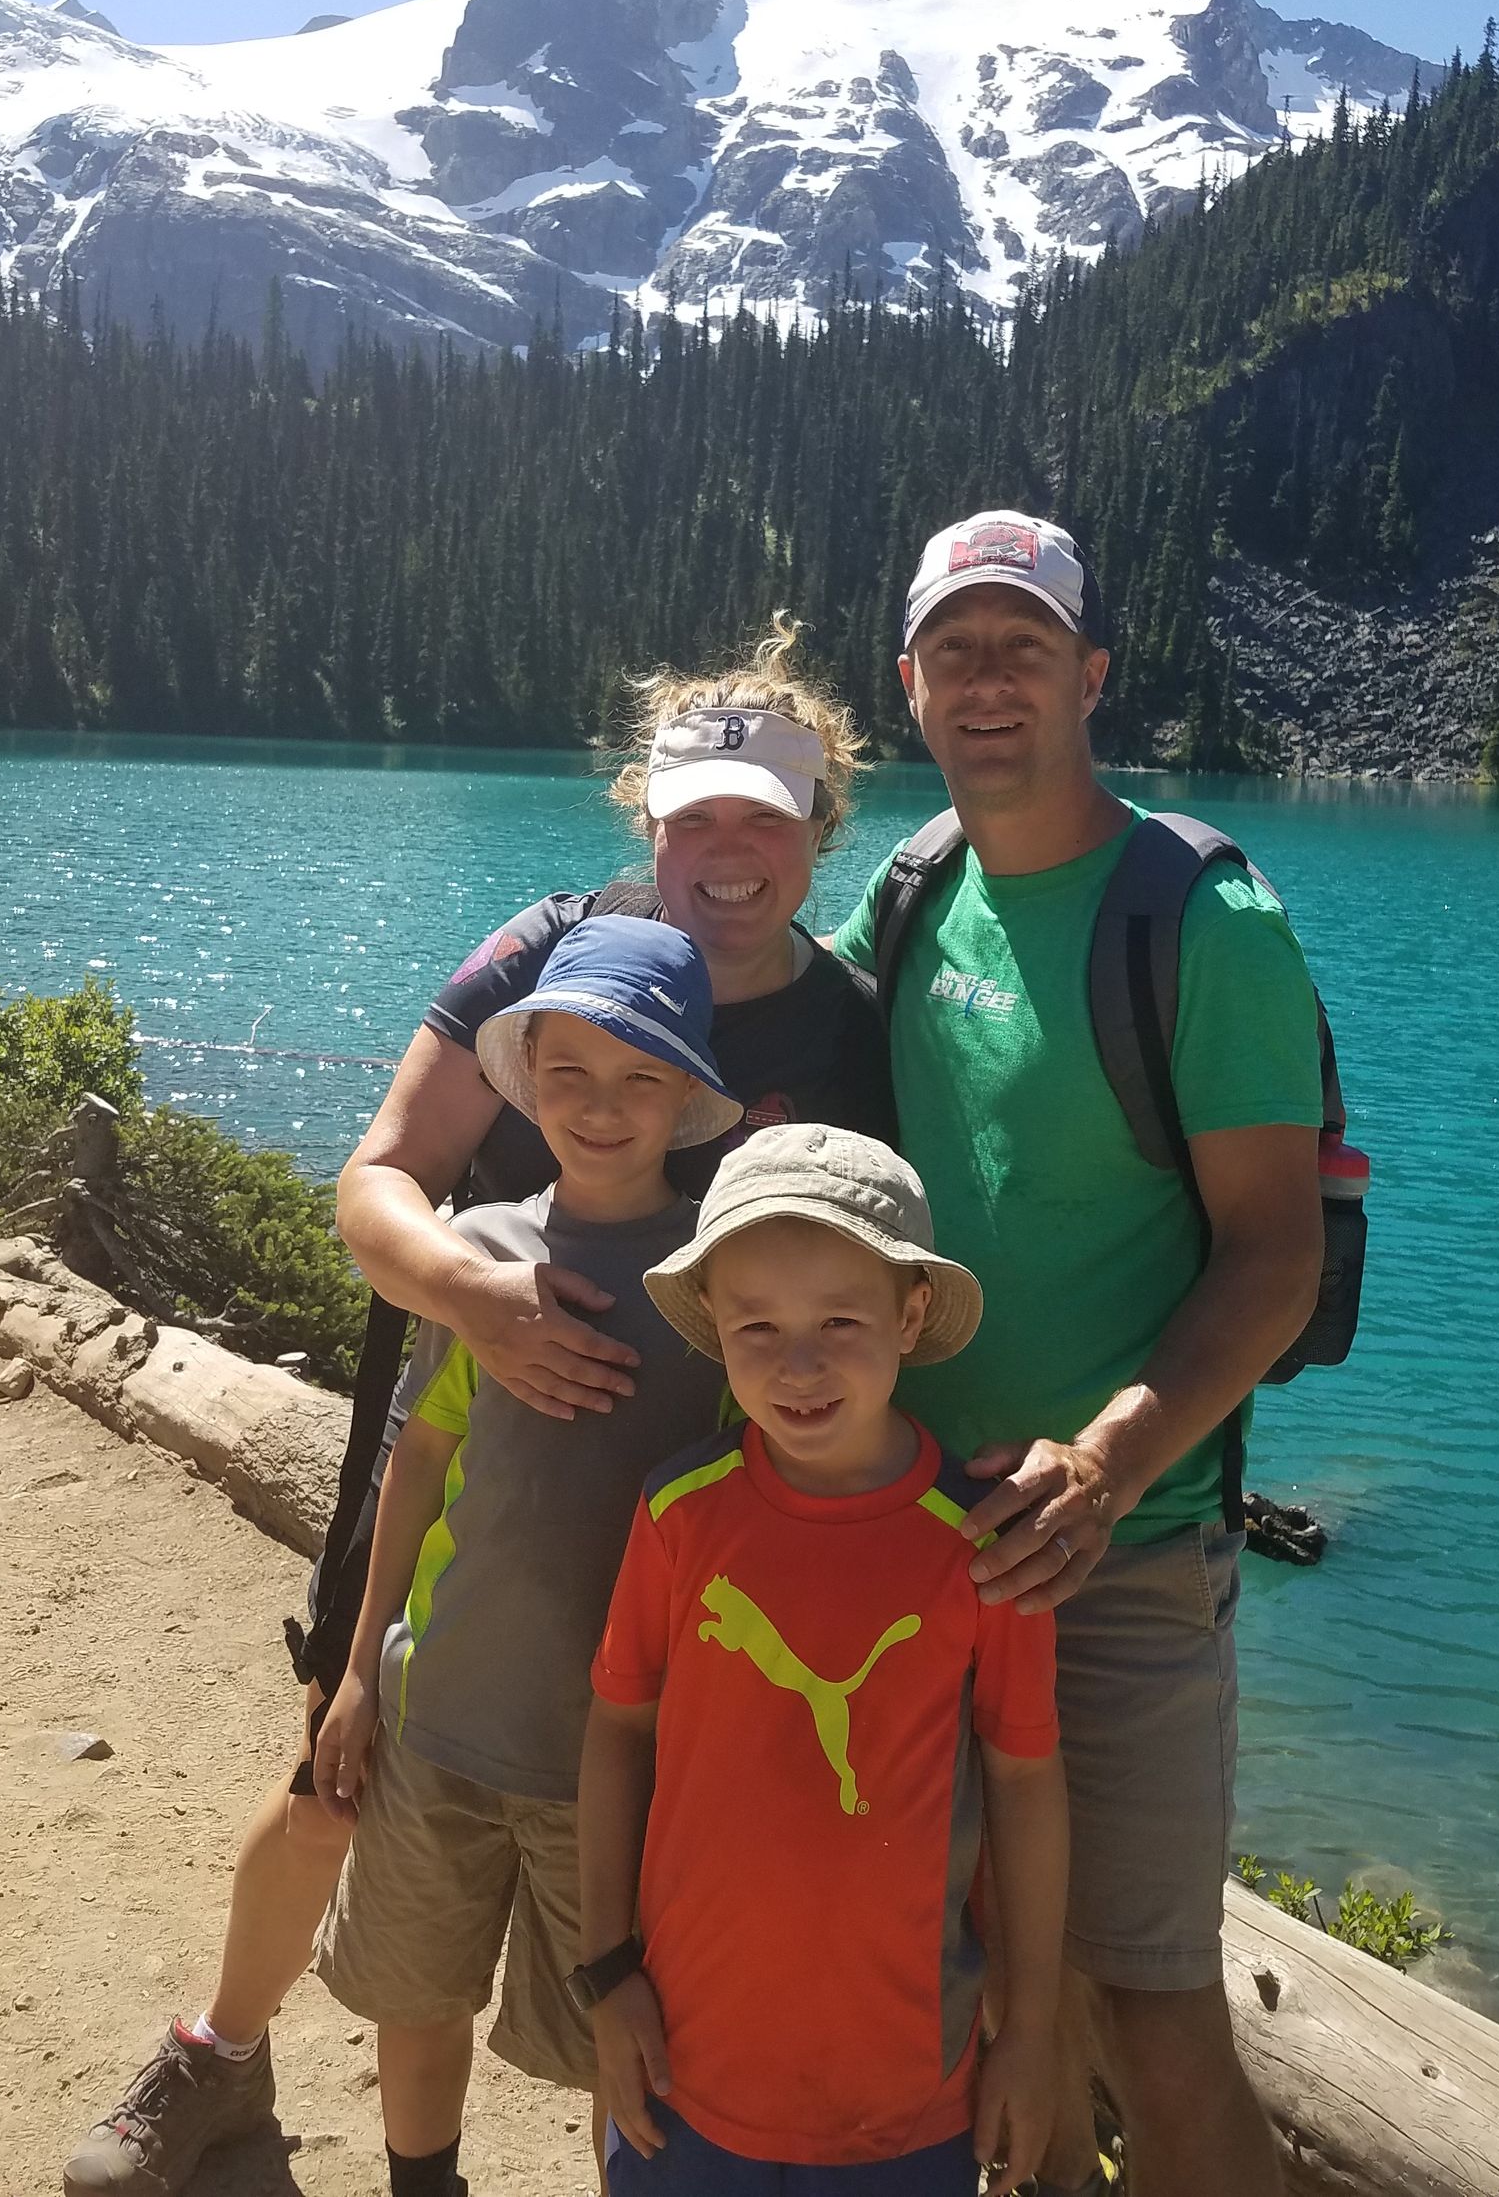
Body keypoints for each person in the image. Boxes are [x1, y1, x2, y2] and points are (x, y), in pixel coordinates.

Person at [65, 622, 893, 2197]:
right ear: (646, 812)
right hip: (466, 1448)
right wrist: (478, 1295)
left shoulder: (849, 1026)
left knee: (637, 1872)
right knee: (340, 1775)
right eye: (695, 814)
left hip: (678, 1528)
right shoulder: (545, 948)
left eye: (767, 818)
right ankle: (219, 2051)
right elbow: (380, 1174)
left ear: (820, 831)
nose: (728, 851)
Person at [829, 514, 1326, 2197]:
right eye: (954, 650)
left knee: (1150, 2013)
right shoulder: (912, 891)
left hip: (1121, 1554)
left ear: (1091, 674)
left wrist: (1107, 1466)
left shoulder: (1206, 918)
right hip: (915, 1533)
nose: (988, 681)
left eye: (1023, 647)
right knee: (982, 1986)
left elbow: (1275, 1253)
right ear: (909, 683)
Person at [311, 917, 742, 2197]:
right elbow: (418, 1465)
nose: (599, 1107)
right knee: (415, 1992)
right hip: (437, 1711)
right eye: (568, 1074)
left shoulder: (718, 1282)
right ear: (524, 1080)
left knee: (619, 2038)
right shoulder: (478, 1254)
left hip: (612, 1760)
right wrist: (358, 1670)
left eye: (639, 1078)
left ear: (688, 1094)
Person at [579, 1124, 1067, 2197]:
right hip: (683, 2060)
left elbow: (1025, 1783)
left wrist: (1030, 2032)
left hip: (907, 2089)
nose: (797, 1364)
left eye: (840, 1321)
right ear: (714, 1324)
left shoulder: (985, 1541)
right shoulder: (679, 1512)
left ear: (910, 1314)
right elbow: (617, 1731)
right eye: (756, 1324)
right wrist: (606, 1972)